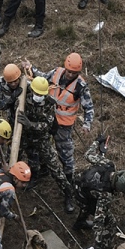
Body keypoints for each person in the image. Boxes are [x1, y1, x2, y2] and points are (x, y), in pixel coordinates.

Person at [29, 52, 94, 210]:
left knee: (66, 156)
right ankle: (42, 169)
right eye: (69, 71)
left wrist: (87, 123)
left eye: (74, 73)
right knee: (41, 145)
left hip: (63, 125)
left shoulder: (80, 86)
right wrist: (31, 68)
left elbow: (89, 106)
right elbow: (43, 77)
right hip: (47, 118)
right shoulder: (57, 72)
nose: (70, 74)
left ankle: (68, 190)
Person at [73, 134, 125, 249]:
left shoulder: (108, 164)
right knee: (110, 223)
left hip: (76, 186)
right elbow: (98, 222)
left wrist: (97, 142)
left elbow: (88, 155)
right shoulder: (105, 195)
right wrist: (99, 241)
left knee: (88, 204)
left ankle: (79, 223)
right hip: (83, 197)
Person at [17, 76, 73, 209]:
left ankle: (68, 193)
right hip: (26, 136)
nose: (38, 96)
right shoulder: (24, 96)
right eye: (36, 93)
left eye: (41, 94)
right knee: (29, 159)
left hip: (41, 138)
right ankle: (33, 177)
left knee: (54, 166)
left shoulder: (49, 103)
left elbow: (46, 125)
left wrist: (30, 124)